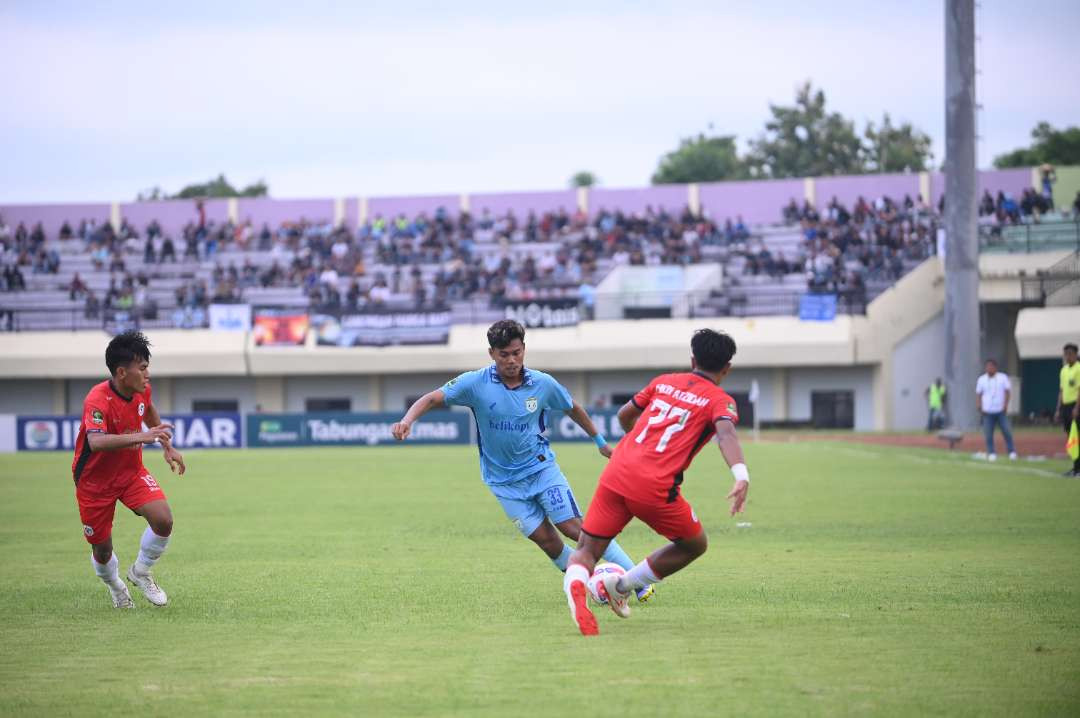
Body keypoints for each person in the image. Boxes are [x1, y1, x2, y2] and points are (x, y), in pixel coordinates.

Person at [391, 319, 653, 601]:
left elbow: (572, 407)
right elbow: (432, 398)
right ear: (492, 353)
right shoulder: (475, 383)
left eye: (516, 353)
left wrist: (599, 442)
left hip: (541, 470)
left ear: (524, 349)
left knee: (574, 528)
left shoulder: (542, 383)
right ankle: (594, 584)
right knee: (547, 542)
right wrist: (407, 420)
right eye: (504, 355)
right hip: (503, 482)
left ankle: (635, 579)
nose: (511, 360)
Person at [561, 329, 748, 635]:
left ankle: (579, 590)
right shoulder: (720, 400)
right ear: (727, 368)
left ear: (692, 359)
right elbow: (725, 433)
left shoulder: (664, 381)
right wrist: (741, 474)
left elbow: (624, 416)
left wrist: (639, 443)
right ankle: (622, 586)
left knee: (586, 550)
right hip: (654, 485)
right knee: (693, 544)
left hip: (617, 470)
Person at [71, 331, 186, 608]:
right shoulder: (97, 400)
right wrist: (142, 437)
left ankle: (141, 572)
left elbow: (148, 411)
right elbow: (95, 441)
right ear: (122, 372)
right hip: (94, 482)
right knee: (102, 548)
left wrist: (165, 444)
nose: (148, 375)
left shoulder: (141, 389)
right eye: (143, 368)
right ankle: (115, 586)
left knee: (164, 520)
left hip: (131, 471)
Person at [975, 359, 1016, 461]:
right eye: (987, 367)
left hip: (1000, 410)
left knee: (1006, 431)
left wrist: (1006, 405)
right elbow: (979, 394)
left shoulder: (1002, 378)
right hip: (987, 411)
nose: (988, 369)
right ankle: (991, 452)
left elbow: (1007, 392)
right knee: (988, 433)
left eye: (991, 366)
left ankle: (1011, 452)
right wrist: (979, 405)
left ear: (995, 367)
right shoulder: (982, 379)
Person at [1054, 343, 1080, 477]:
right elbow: (1062, 390)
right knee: (1071, 437)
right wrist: (1058, 408)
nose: (1067, 356)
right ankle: (1075, 467)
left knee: (1078, 437)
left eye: (1070, 354)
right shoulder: (1063, 370)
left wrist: (1077, 407)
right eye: (1066, 354)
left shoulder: (1078, 368)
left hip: (1076, 406)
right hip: (1066, 406)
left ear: (1076, 354)